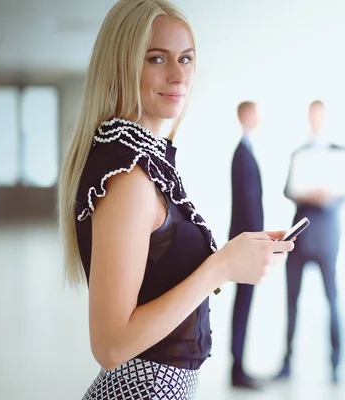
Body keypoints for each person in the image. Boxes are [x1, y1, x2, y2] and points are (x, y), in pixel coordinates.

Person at [56, 1, 294, 399]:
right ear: (122, 64)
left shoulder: (142, 160)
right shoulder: (129, 176)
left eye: (186, 58)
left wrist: (231, 259)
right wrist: (220, 268)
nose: (178, 74)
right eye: (156, 58)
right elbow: (111, 346)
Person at [275, 100, 345, 384]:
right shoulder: (300, 153)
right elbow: (287, 189)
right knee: (291, 301)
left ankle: (336, 365)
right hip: (300, 234)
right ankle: (287, 363)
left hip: (328, 235)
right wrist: (306, 194)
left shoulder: (339, 154)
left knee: (332, 300)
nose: (315, 120)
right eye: (312, 116)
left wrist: (328, 196)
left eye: (320, 116)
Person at [228, 101, 265, 390]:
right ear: (244, 116)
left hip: (249, 241)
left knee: (244, 302)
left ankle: (239, 365)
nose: (257, 118)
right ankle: (237, 367)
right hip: (247, 244)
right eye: (254, 112)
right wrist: (255, 241)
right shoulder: (241, 154)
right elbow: (246, 203)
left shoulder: (247, 151)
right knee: (243, 303)